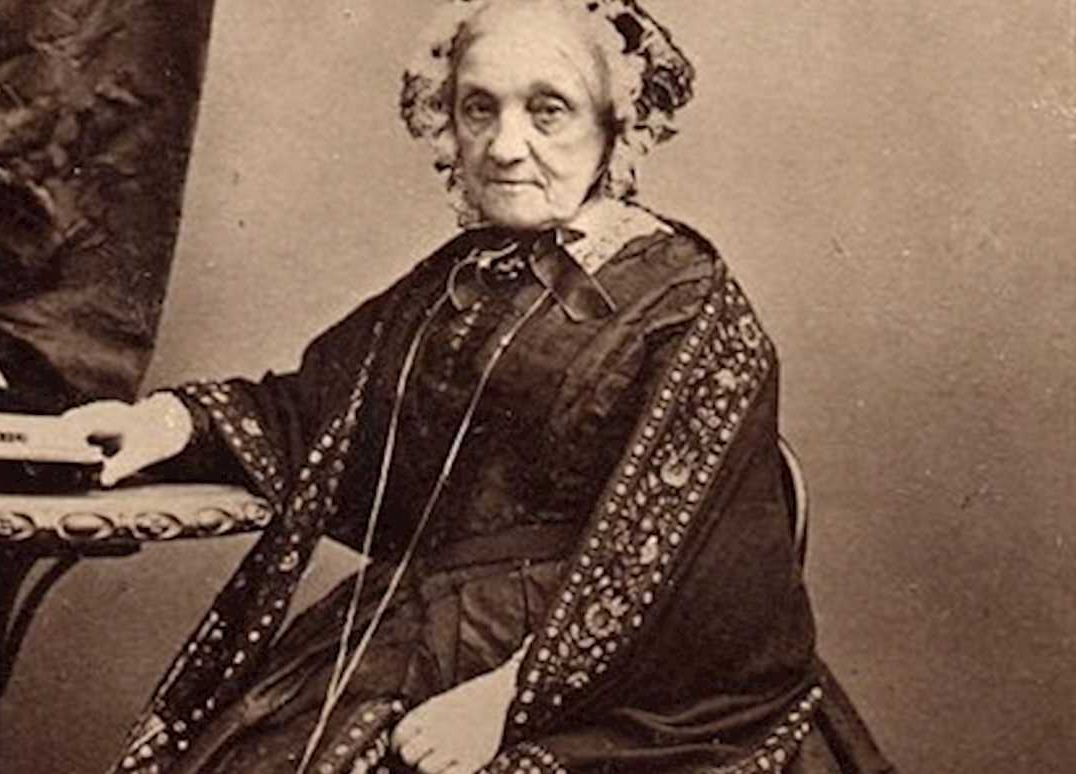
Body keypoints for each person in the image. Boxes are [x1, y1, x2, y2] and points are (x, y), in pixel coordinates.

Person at [66, 2, 897, 772]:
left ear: (617, 123)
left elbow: (698, 574)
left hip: (608, 686)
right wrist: (166, 423)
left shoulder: (685, 298)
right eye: (479, 108)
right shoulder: (455, 281)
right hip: (411, 631)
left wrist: (508, 699)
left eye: (548, 110)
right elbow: (315, 414)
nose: (504, 146)